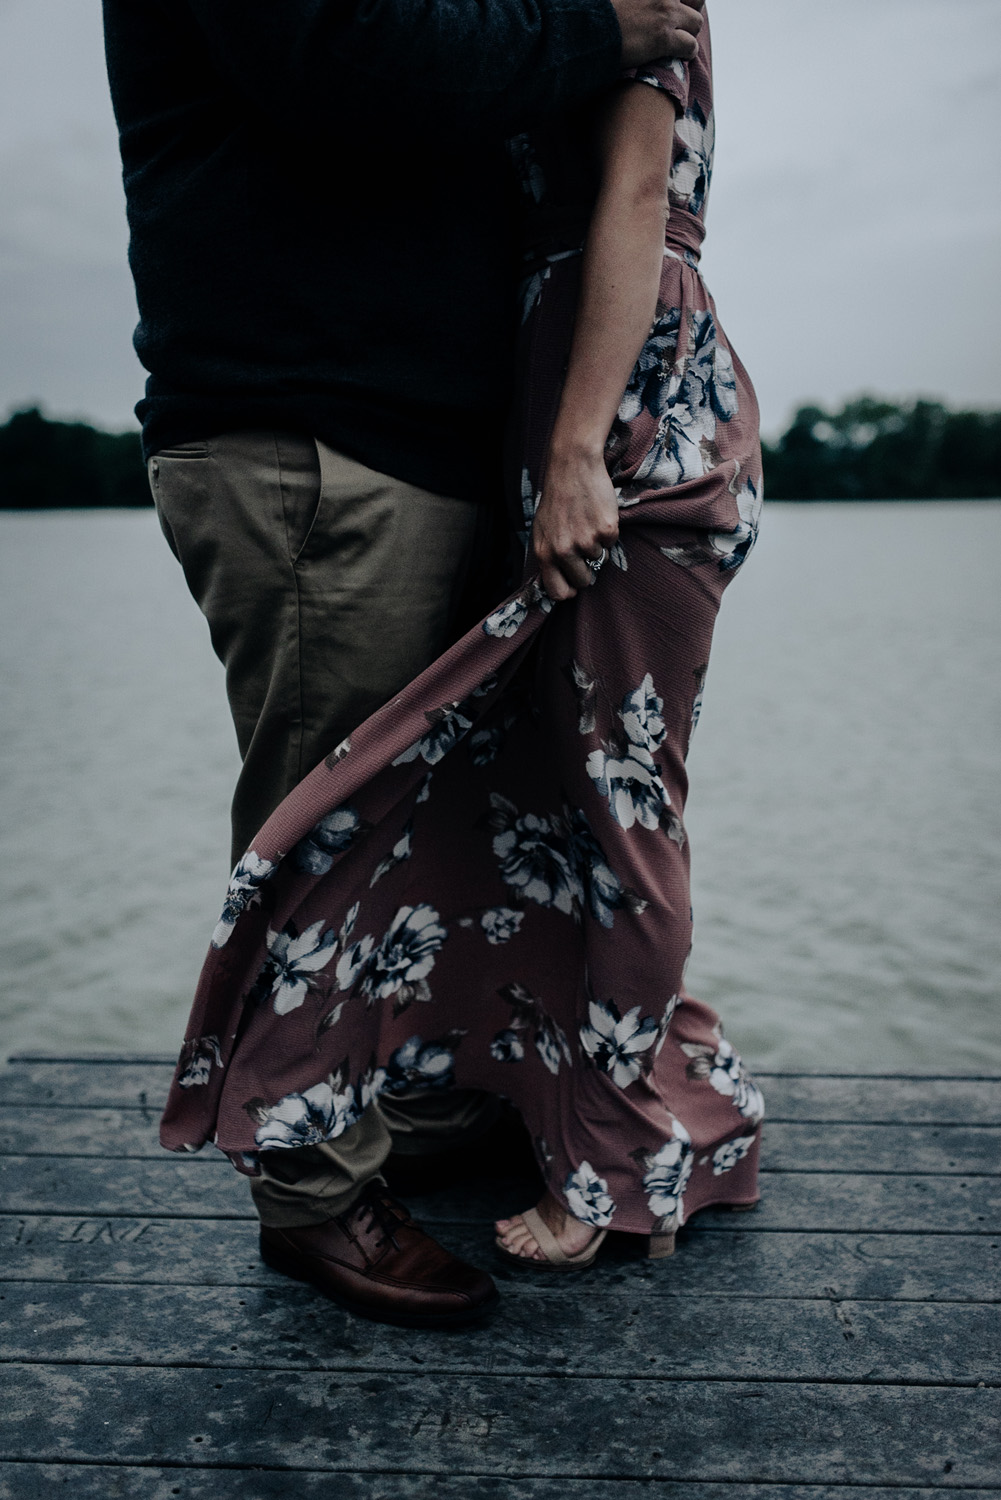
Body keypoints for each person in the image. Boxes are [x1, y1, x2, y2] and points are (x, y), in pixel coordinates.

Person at [105, 0, 712, 1327]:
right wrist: (591, 33)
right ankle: (317, 1190)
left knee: (429, 813)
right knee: (324, 816)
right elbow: (348, 60)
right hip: (313, 422)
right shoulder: (595, 28)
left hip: (421, 432)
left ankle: (403, 1101)